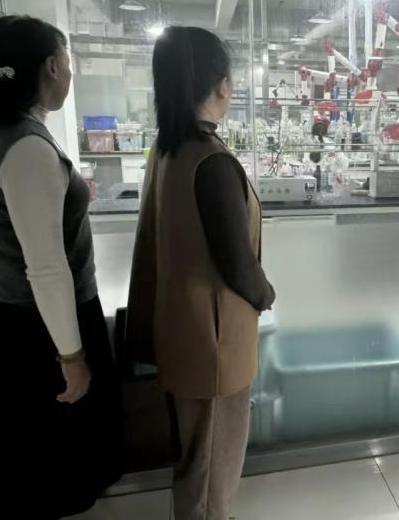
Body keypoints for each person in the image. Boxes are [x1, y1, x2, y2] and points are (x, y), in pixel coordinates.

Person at [0, 15, 122, 518]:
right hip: (40, 333)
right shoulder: (27, 147)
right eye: (68, 61)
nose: (69, 73)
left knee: (26, 467)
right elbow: (46, 266)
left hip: (13, 323)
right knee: (47, 468)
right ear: (51, 66)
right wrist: (72, 356)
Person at [127, 26, 275, 520]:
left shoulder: (167, 150)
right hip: (214, 343)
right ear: (222, 86)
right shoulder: (212, 162)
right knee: (214, 462)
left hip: (179, 331)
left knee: (194, 456)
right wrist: (265, 294)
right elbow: (238, 263)